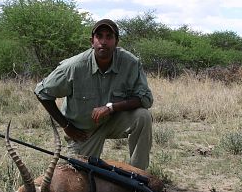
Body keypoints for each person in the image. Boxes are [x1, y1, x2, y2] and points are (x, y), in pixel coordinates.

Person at [34, 19, 153, 170]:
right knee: (75, 176)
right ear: (92, 41)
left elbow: (146, 99)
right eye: (99, 36)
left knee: (143, 116)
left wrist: (111, 108)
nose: (104, 42)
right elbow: (42, 92)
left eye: (109, 37)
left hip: (114, 120)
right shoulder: (74, 67)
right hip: (83, 132)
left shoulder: (131, 63)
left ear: (116, 42)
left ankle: (138, 176)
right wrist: (66, 126)